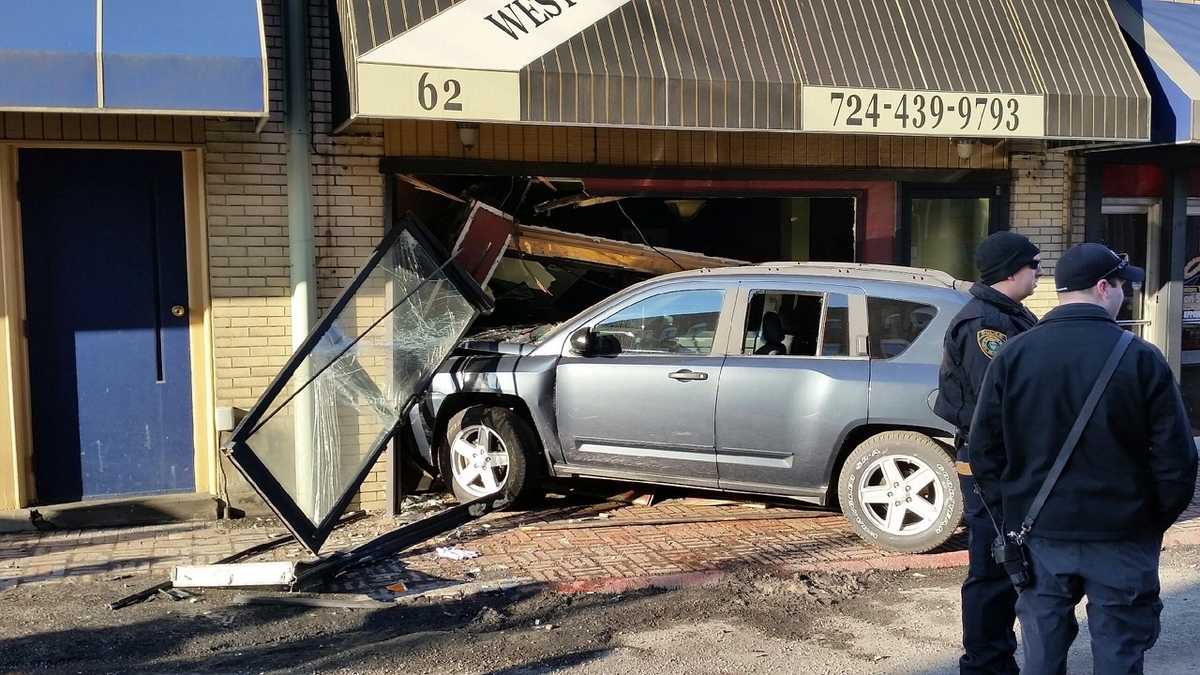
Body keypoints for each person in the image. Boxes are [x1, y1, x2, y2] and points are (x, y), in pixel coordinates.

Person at [970, 243, 1197, 674]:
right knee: (1119, 654)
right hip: (1121, 534)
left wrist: (1014, 514)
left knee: (1041, 654)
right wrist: (1149, 520)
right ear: (1102, 287)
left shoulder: (1013, 356)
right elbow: (1177, 462)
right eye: (1121, 287)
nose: (1124, 296)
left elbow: (984, 453)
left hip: (1039, 534)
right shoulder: (1141, 357)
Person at [934, 230, 1041, 675]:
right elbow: (991, 407)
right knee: (992, 571)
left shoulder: (1005, 315)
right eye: (1033, 265)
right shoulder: (986, 326)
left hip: (1002, 466)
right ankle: (986, 664)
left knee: (1004, 565)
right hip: (991, 468)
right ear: (1012, 270)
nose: (1039, 272)